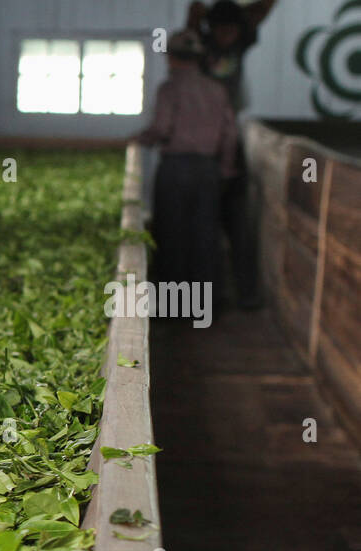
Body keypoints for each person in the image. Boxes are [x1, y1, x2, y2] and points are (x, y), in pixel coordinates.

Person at [133, 29, 238, 322]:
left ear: (171, 58)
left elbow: (162, 128)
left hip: (176, 169)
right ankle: (207, 306)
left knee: (171, 234)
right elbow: (230, 134)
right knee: (205, 234)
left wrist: (139, 139)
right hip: (208, 169)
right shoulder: (217, 90)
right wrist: (226, 169)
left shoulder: (169, 89)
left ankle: (173, 308)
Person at [186, 0, 281, 308]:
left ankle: (244, 292)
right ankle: (209, 296)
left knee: (237, 221)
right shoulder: (199, 44)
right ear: (212, 29)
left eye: (232, 29)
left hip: (229, 139)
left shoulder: (240, 42)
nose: (227, 35)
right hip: (202, 141)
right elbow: (193, 14)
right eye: (221, 29)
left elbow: (262, 10)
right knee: (203, 223)